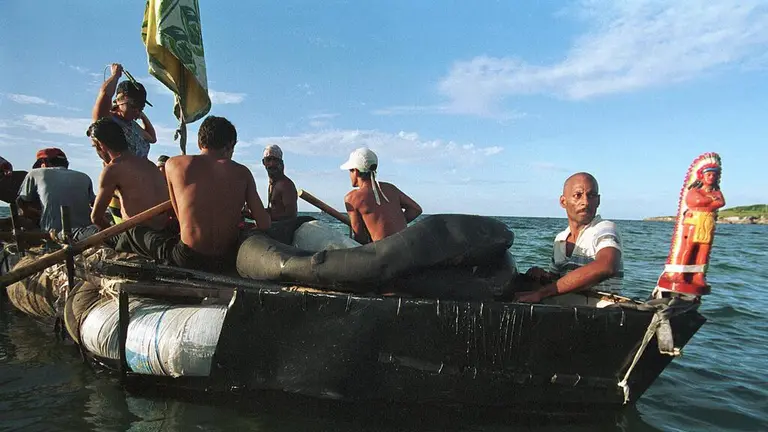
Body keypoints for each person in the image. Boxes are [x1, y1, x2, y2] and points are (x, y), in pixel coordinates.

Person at [116, 115, 270, 273]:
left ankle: (118, 263)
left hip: (188, 259)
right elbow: (264, 224)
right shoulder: (243, 172)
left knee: (134, 231)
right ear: (230, 145)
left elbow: (180, 216)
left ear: (199, 142)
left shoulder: (174, 164)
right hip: (225, 258)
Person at [516, 172, 623, 303]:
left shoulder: (604, 228)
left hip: (602, 316)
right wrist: (542, 275)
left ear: (598, 201)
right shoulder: (560, 239)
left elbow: (607, 266)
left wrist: (541, 293)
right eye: (578, 195)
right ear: (563, 201)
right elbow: (558, 282)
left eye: (591, 195)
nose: (585, 202)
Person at [88, 118, 170, 232]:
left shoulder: (112, 170)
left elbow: (96, 217)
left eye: (94, 146)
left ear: (100, 145)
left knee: (85, 233)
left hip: (139, 234)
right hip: (164, 229)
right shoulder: (150, 165)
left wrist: (115, 235)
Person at [340, 147, 422, 244]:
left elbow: (359, 237)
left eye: (350, 170)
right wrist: (394, 225)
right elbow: (416, 209)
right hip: (405, 244)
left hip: (384, 252)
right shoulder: (391, 188)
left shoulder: (352, 198)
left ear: (356, 171)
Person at [16, 148, 95, 240]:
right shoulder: (84, 176)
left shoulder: (35, 173)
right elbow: (93, 203)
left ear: (43, 163)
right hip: (85, 232)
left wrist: (30, 216)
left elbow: (21, 202)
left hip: (53, 234)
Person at [92, 63, 156, 159]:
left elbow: (152, 138)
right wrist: (115, 76)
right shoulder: (108, 121)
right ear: (119, 101)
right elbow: (105, 95)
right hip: (122, 172)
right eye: (134, 106)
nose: (137, 111)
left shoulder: (133, 125)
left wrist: (142, 116)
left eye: (141, 107)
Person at [262, 145, 298, 221]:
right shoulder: (273, 184)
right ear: (263, 162)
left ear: (281, 163)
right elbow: (275, 211)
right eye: (268, 160)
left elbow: (290, 215)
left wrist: (261, 216)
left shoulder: (285, 185)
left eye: (275, 160)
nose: (271, 164)